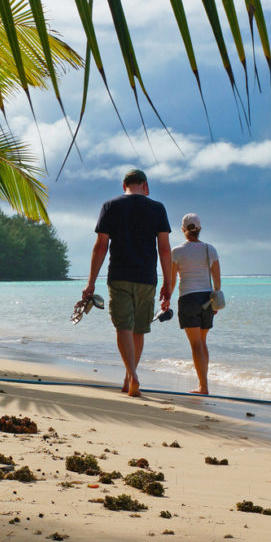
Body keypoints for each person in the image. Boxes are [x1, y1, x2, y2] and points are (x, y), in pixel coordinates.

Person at [83, 169, 171, 397]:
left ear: (124, 185)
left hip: (119, 275)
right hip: (146, 278)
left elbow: (100, 246)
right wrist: (169, 282)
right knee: (139, 329)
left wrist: (91, 282)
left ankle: (130, 376)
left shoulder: (110, 206)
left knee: (123, 327)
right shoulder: (157, 208)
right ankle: (130, 375)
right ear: (145, 186)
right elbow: (164, 249)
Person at [168, 213, 221, 395]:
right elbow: (217, 281)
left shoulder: (177, 252)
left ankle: (203, 387)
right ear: (199, 229)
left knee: (196, 345)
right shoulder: (210, 249)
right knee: (203, 342)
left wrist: (166, 298)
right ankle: (203, 384)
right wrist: (214, 301)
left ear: (183, 230)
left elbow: (172, 281)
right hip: (207, 299)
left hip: (188, 299)